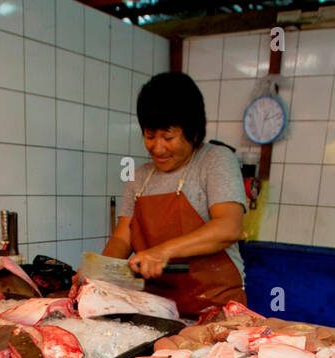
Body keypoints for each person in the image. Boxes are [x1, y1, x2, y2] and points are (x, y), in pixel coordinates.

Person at [101, 72, 247, 318]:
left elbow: (229, 227)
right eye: (149, 136)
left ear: (193, 131)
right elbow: (122, 238)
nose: (158, 148)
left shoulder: (215, 160)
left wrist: (162, 252)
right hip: (157, 311)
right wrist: (99, 272)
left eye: (168, 137)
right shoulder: (139, 177)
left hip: (215, 310)